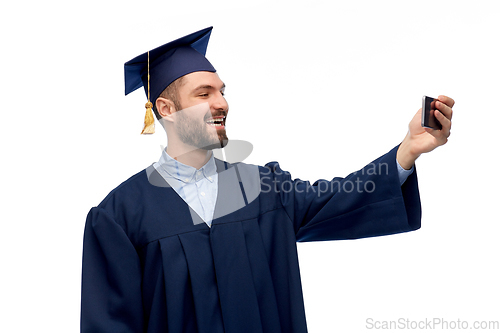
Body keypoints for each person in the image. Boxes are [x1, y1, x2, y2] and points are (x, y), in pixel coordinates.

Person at [80, 27, 454, 333]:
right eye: (204, 93)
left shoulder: (264, 189)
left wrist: (407, 150)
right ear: (166, 110)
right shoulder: (119, 217)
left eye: (222, 91)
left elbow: (343, 198)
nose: (221, 102)